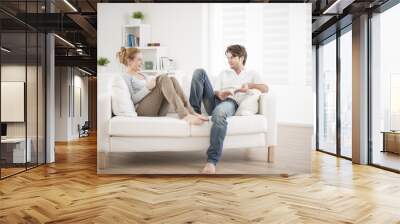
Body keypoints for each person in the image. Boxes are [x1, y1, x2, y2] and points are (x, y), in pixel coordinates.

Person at [189, 44, 269, 174]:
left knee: (219, 113)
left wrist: (249, 85)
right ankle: (195, 111)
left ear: (242, 58)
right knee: (199, 72)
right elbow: (214, 91)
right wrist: (218, 93)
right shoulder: (224, 73)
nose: (229, 60)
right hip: (215, 99)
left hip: (231, 102)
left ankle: (211, 161)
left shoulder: (251, 73)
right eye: (228, 57)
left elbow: (265, 88)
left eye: (233, 57)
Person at [116, 47, 208, 124]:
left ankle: (191, 112)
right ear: (129, 61)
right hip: (142, 112)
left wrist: (153, 84)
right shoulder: (125, 76)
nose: (142, 63)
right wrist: (147, 88)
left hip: (156, 110)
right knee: (163, 77)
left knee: (172, 79)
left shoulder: (143, 75)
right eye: (139, 60)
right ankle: (184, 115)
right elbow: (132, 99)